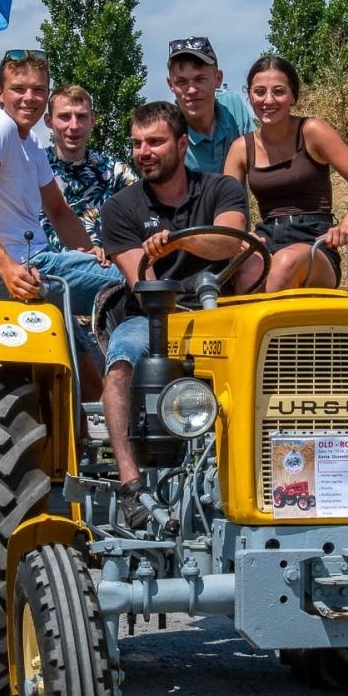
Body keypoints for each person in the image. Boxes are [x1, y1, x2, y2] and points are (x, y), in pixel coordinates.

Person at [98, 101, 250, 525]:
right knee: (121, 365)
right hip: (154, 316)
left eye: (155, 141)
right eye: (137, 144)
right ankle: (131, 485)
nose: (144, 151)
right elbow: (141, 282)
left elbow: (231, 239)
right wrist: (176, 253)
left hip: (220, 311)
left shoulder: (221, 189)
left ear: (182, 144)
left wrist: (180, 243)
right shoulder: (121, 209)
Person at [0, 51, 120, 314]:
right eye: (19, 89)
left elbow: (59, 211)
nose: (29, 98)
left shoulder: (31, 142)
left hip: (31, 268)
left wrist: (88, 250)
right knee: (137, 282)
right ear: (0, 94)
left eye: (38, 90)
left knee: (86, 351)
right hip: (24, 269)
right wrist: (6, 268)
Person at [224, 55, 348, 291]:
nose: (268, 100)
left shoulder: (312, 131)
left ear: (293, 96)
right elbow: (227, 207)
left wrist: (347, 225)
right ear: (249, 96)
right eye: (260, 92)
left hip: (314, 240)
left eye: (279, 92)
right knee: (245, 269)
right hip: (267, 236)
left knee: (285, 263)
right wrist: (240, 238)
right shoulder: (241, 148)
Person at [37, 84, 137, 250]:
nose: (74, 126)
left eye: (82, 116)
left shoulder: (114, 170)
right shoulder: (33, 167)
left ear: (92, 120)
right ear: (49, 121)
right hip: (45, 269)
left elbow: (143, 212)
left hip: (106, 269)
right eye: (65, 117)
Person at [165, 35, 256, 174]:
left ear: (218, 78)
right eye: (181, 82)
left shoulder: (233, 106)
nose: (192, 90)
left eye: (200, 79)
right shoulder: (166, 133)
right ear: (170, 85)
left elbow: (260, 158)